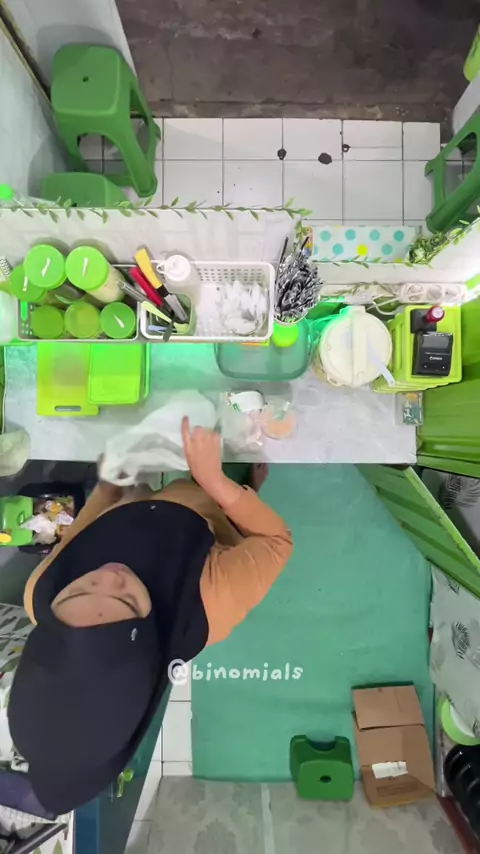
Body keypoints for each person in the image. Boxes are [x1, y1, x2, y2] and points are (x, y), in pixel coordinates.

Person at [8, 420, 293, 814]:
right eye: (126, 600)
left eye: (79, 590)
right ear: (146, 637)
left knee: (144, 484)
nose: (109, 575)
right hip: (201, 518)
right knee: (231, 499)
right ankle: (244, 489)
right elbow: (276, 541)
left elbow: (83, 531)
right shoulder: (209, 601)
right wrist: (214, 481)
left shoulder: (41, 590)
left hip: (131, 513)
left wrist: (110, 485)